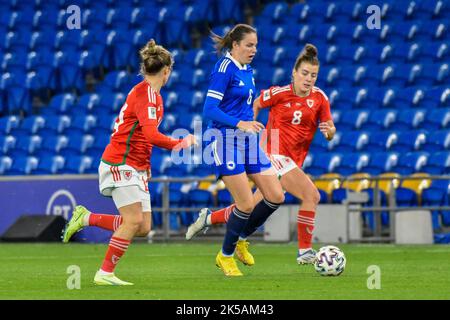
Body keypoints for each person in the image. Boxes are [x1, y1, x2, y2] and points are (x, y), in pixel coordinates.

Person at [62, 39, 196, 285]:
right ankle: (104, 273)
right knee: (132, 221)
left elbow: (142, 137)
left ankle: (86, 218)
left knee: (143, 226)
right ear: (167, 71)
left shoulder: (151, 95)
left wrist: (146, 166)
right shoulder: (146, 95)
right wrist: (180, 143)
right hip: (119, 162)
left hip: (135, 165)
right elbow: (152, 136)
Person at [187, 43, 335, 265]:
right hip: (272, 153)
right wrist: (248, 128)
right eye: (304, 73)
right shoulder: (278, 93)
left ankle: (210, 219)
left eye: (313, 75)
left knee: (250, 204)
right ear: (294, 73)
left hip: (292, 161)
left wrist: (329, 132)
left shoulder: (320, 98)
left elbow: (329, 127)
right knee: (311, 195)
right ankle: (304, 251)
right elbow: (255, 104)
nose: (309, 79)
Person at [202, 24, 285, 276]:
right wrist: (240, 123)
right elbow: (209, 110)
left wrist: (249, 126)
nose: (254, 50)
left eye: (256, 45)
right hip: (225, 140)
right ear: (235, 45)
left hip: (247, 142)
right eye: (249, 45)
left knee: (275, 195)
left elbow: (244, 107)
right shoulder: (223, 69)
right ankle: (225, 256)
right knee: (246, 203)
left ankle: (240, 239)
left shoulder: (247, 70)